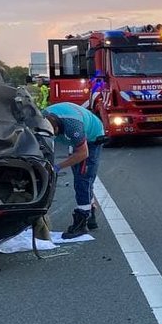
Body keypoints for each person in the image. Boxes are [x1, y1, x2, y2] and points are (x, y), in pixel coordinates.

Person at [42, 101, 107, 239]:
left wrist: (58, 166)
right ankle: (91, 213)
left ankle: (81, 223)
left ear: (58, 128)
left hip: (92, 137)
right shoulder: (41, 119)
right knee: (78, 172)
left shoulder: (73, 126)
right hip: (75, 136)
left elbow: (83, 153)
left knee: (83, 178)